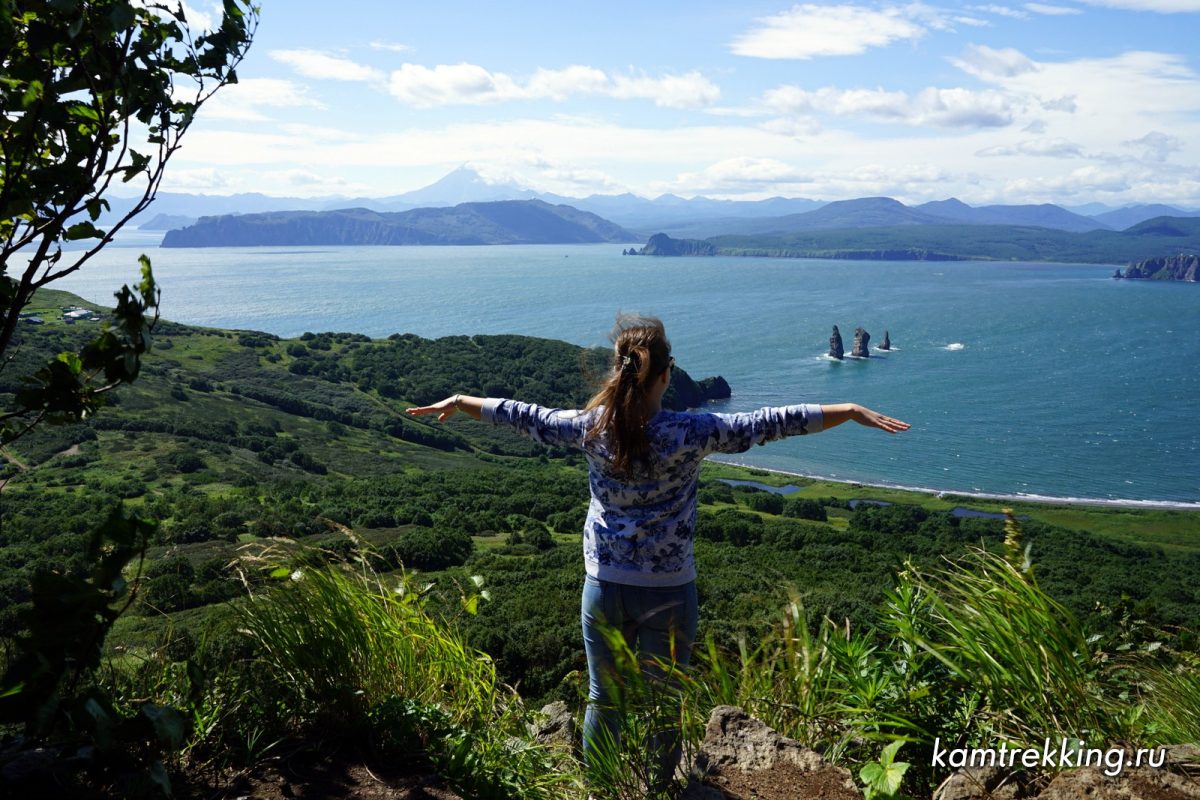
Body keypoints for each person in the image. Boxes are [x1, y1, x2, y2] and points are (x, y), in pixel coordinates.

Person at [405, 314, 909, 794]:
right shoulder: (691, 433)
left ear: (621, 373)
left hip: (602, 586)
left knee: (605, 699)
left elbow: (523, 416)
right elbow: (768, 422)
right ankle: (659, 791)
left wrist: (460, 400)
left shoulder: (591, 426)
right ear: (666, 376)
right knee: (664, 704)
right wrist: (846, 410)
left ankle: (602, 789)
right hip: (669, 591)